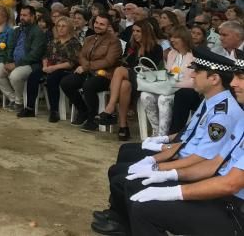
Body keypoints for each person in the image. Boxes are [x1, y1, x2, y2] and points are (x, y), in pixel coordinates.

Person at [91, 47, 244, 236]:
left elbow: (230, 183)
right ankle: (122, 221)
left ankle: (123, 224)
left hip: (234, 208)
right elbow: (213, 162)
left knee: (143, 207)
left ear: (213, 79)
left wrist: (173, 188)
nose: (234, 82)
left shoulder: (227, 113)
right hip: (221, 194)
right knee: (134, 182)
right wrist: (164, 172)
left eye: (241, 78)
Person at [97, 19, 163, 140]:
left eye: (139, 31)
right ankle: (123, 126)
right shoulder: (131, 46)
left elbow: (148, 69)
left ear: (146, 33)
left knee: (120, 71)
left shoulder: (156, 48)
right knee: (124, 86)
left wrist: (130, 65)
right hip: (131, 81)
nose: (135, 33)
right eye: (133, 31)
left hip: (146, 80)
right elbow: (125, 62)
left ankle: (110, 107)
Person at [61, 13, 122, 131]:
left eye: (102, 24)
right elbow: (81, 55)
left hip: (105, 75)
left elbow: (108, 61)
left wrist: (86, 67)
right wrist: (85, 67)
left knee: (89, 86)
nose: (98, 26)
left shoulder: (114, 41)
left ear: (108, 26)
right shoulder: (89, 38)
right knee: (66, 82)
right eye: (96, 23)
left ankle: (92, 119)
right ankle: (83, 110)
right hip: (88, 71)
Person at [20, 16, 81, 121]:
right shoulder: (53, 42)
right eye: (58, 26)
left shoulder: (74, 43)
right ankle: (30, 108)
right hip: (49, 67)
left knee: (53, 78)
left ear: (69, 28)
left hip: (65, 69)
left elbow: (72, 63)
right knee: (33, 75)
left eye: (64, 26)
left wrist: (54, 68)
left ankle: (54, 111)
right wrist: (45, 66)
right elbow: (45, 56)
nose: (60, 28)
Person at [0, 5, 46, 112]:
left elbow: (35, 55)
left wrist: (15, 64)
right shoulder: (18, 30)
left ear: (32, 17)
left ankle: (19, 102)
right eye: (21, 15)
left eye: (25, 15)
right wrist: (7, 61)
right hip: (13, 62)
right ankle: (13, 98)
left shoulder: (38, 32)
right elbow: (10, 48)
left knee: (15, 75)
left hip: (30, 65)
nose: (21, 17)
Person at [139, 26, 196, 137]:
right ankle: (156, 129)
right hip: (168, 87)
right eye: (171, 37)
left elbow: (193, 81)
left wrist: (173, 84)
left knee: (163, 99)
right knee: (145, 95)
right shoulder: (171, 54)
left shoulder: (194, 56)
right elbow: (169, 73)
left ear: (184, 38)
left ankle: (163, 135)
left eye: (176, 37)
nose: (172, 40)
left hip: (183, 91)